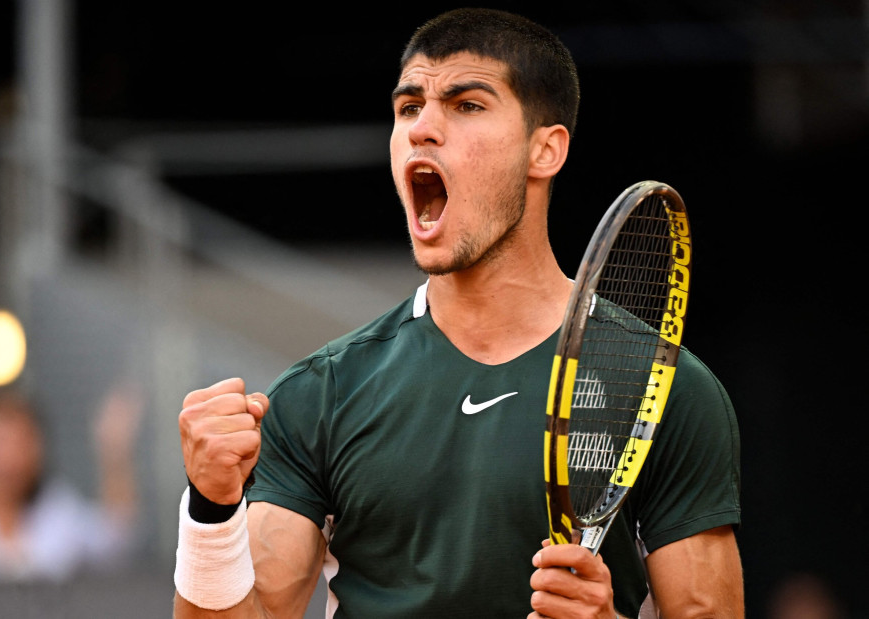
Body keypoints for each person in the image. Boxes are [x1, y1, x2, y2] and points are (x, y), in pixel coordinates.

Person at [174, 8, 743, 618]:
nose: (423, 128)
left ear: (545, 149)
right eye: (408, 107)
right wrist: (210, 511)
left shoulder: (665, 388)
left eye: (466, 105)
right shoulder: (320, 393)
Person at [0, 380, 142, 582]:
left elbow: (114, 537)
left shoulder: (57, 512)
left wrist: (114, 450)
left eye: (20, 443)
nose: (8, 458)